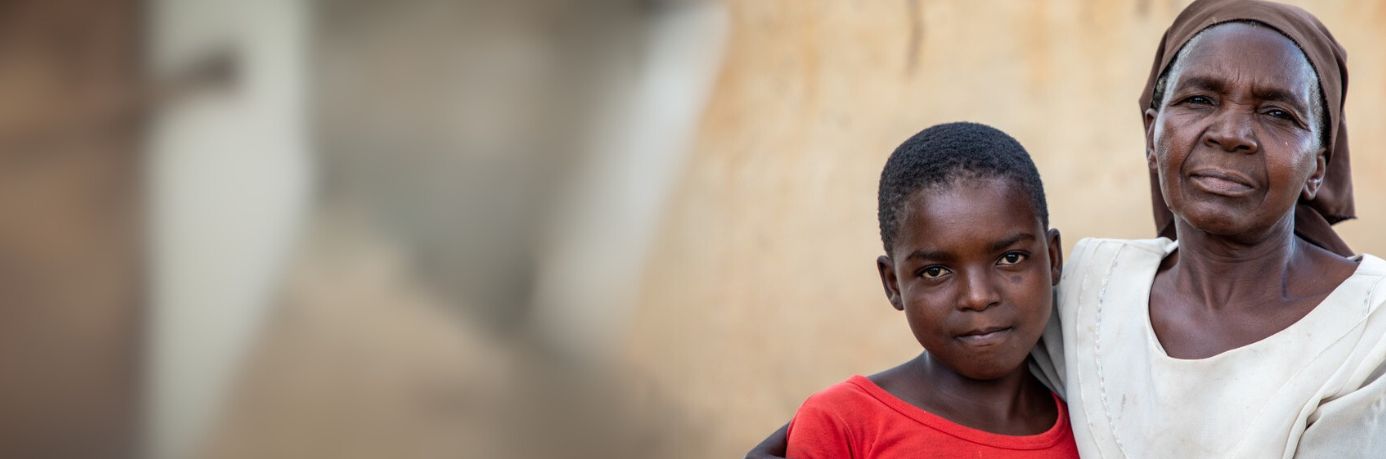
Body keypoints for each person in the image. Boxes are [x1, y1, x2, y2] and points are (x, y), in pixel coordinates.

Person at [750, 0, 1386, 457]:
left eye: (1278, 113)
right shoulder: (1091, 287)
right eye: (1199, 99)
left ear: (1316, 169)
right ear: (1150, 133)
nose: (1230, 133)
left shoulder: (1369, 327)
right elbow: (956, 368)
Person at [783, 122, 1077, 458]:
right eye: (935, 271)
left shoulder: (1098, 428)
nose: (978, 297)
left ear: (1053, 258)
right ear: (893, 283)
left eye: (1011, 258)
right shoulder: (844, 426)